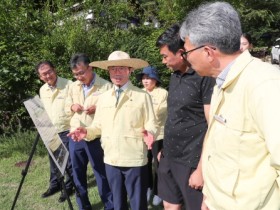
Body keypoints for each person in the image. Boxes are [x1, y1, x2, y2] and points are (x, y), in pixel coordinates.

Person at [180, 2, 280, 210]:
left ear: (208, 52)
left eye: (187, 52)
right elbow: (219, 148)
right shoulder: (222, 83)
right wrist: (209, 196)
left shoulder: (265, 85)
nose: (186, 59)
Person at [68, 50, 158, 210]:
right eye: (113, 68)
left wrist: (149, 133)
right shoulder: (103, 97)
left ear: (130, 70)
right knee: (118, 203)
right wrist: (86, 131)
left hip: (134, 159)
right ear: (108, 71)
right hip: (111, 159)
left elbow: (152, 123)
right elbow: (98, 126)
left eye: (122, 68)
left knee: (138, 204)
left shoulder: (142, 96)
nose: (117, 73)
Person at [155, 24, 215, 210]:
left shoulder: (204, 77)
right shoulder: (175, 76)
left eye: (165, 56)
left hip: (191, 161)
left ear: (181, 52)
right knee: (170, 205)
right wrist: (165, 150)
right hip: (169, 157)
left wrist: (201, 169)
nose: (163, 61)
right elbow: (176, 115)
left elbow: (212, 125)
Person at [65, 53, 113, 210]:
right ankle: (83, 206)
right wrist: (72, 106)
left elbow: (112, 111)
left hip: (95, 137)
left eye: (82, 72)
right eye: (76, 74)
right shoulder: (72, 86)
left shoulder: (106, 86)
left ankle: (109, 205)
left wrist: (97, 109)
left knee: (101, 173)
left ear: (90, 68)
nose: (79, 77)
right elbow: (66, 107)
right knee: (77, 173)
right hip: (75, 137)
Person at [36, 61, 74, 203]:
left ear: (55, 69)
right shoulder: (42, 89)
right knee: (53, 161)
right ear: (40, 77)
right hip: (49, 130)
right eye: (44, 74)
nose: (47, 75)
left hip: (66, 129)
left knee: (67, 162)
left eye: (49, 71)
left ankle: (68, 188)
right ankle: (55, 185)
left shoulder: (69, 85)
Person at [136, 66, 168, 206]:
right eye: (143, 78)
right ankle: (148, 187)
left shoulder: (162, 93)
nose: (145, 81)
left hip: (157, 135)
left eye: (148, 78)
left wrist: (145, 119)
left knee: (159, 164)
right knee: (145, 162)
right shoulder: (139, 93)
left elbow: (159, 114)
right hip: (142, 135)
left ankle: (159, 191)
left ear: (155, 79)